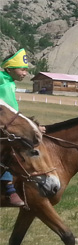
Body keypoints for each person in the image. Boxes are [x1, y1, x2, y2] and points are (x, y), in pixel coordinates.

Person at [0, 48, 30, 207]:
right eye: (22, 69)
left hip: (9, 123)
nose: (25, 73)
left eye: (26, 70)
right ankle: (9, 188)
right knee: (7, 151)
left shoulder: (10, 82)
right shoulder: (1, 77)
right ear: (10, 68)